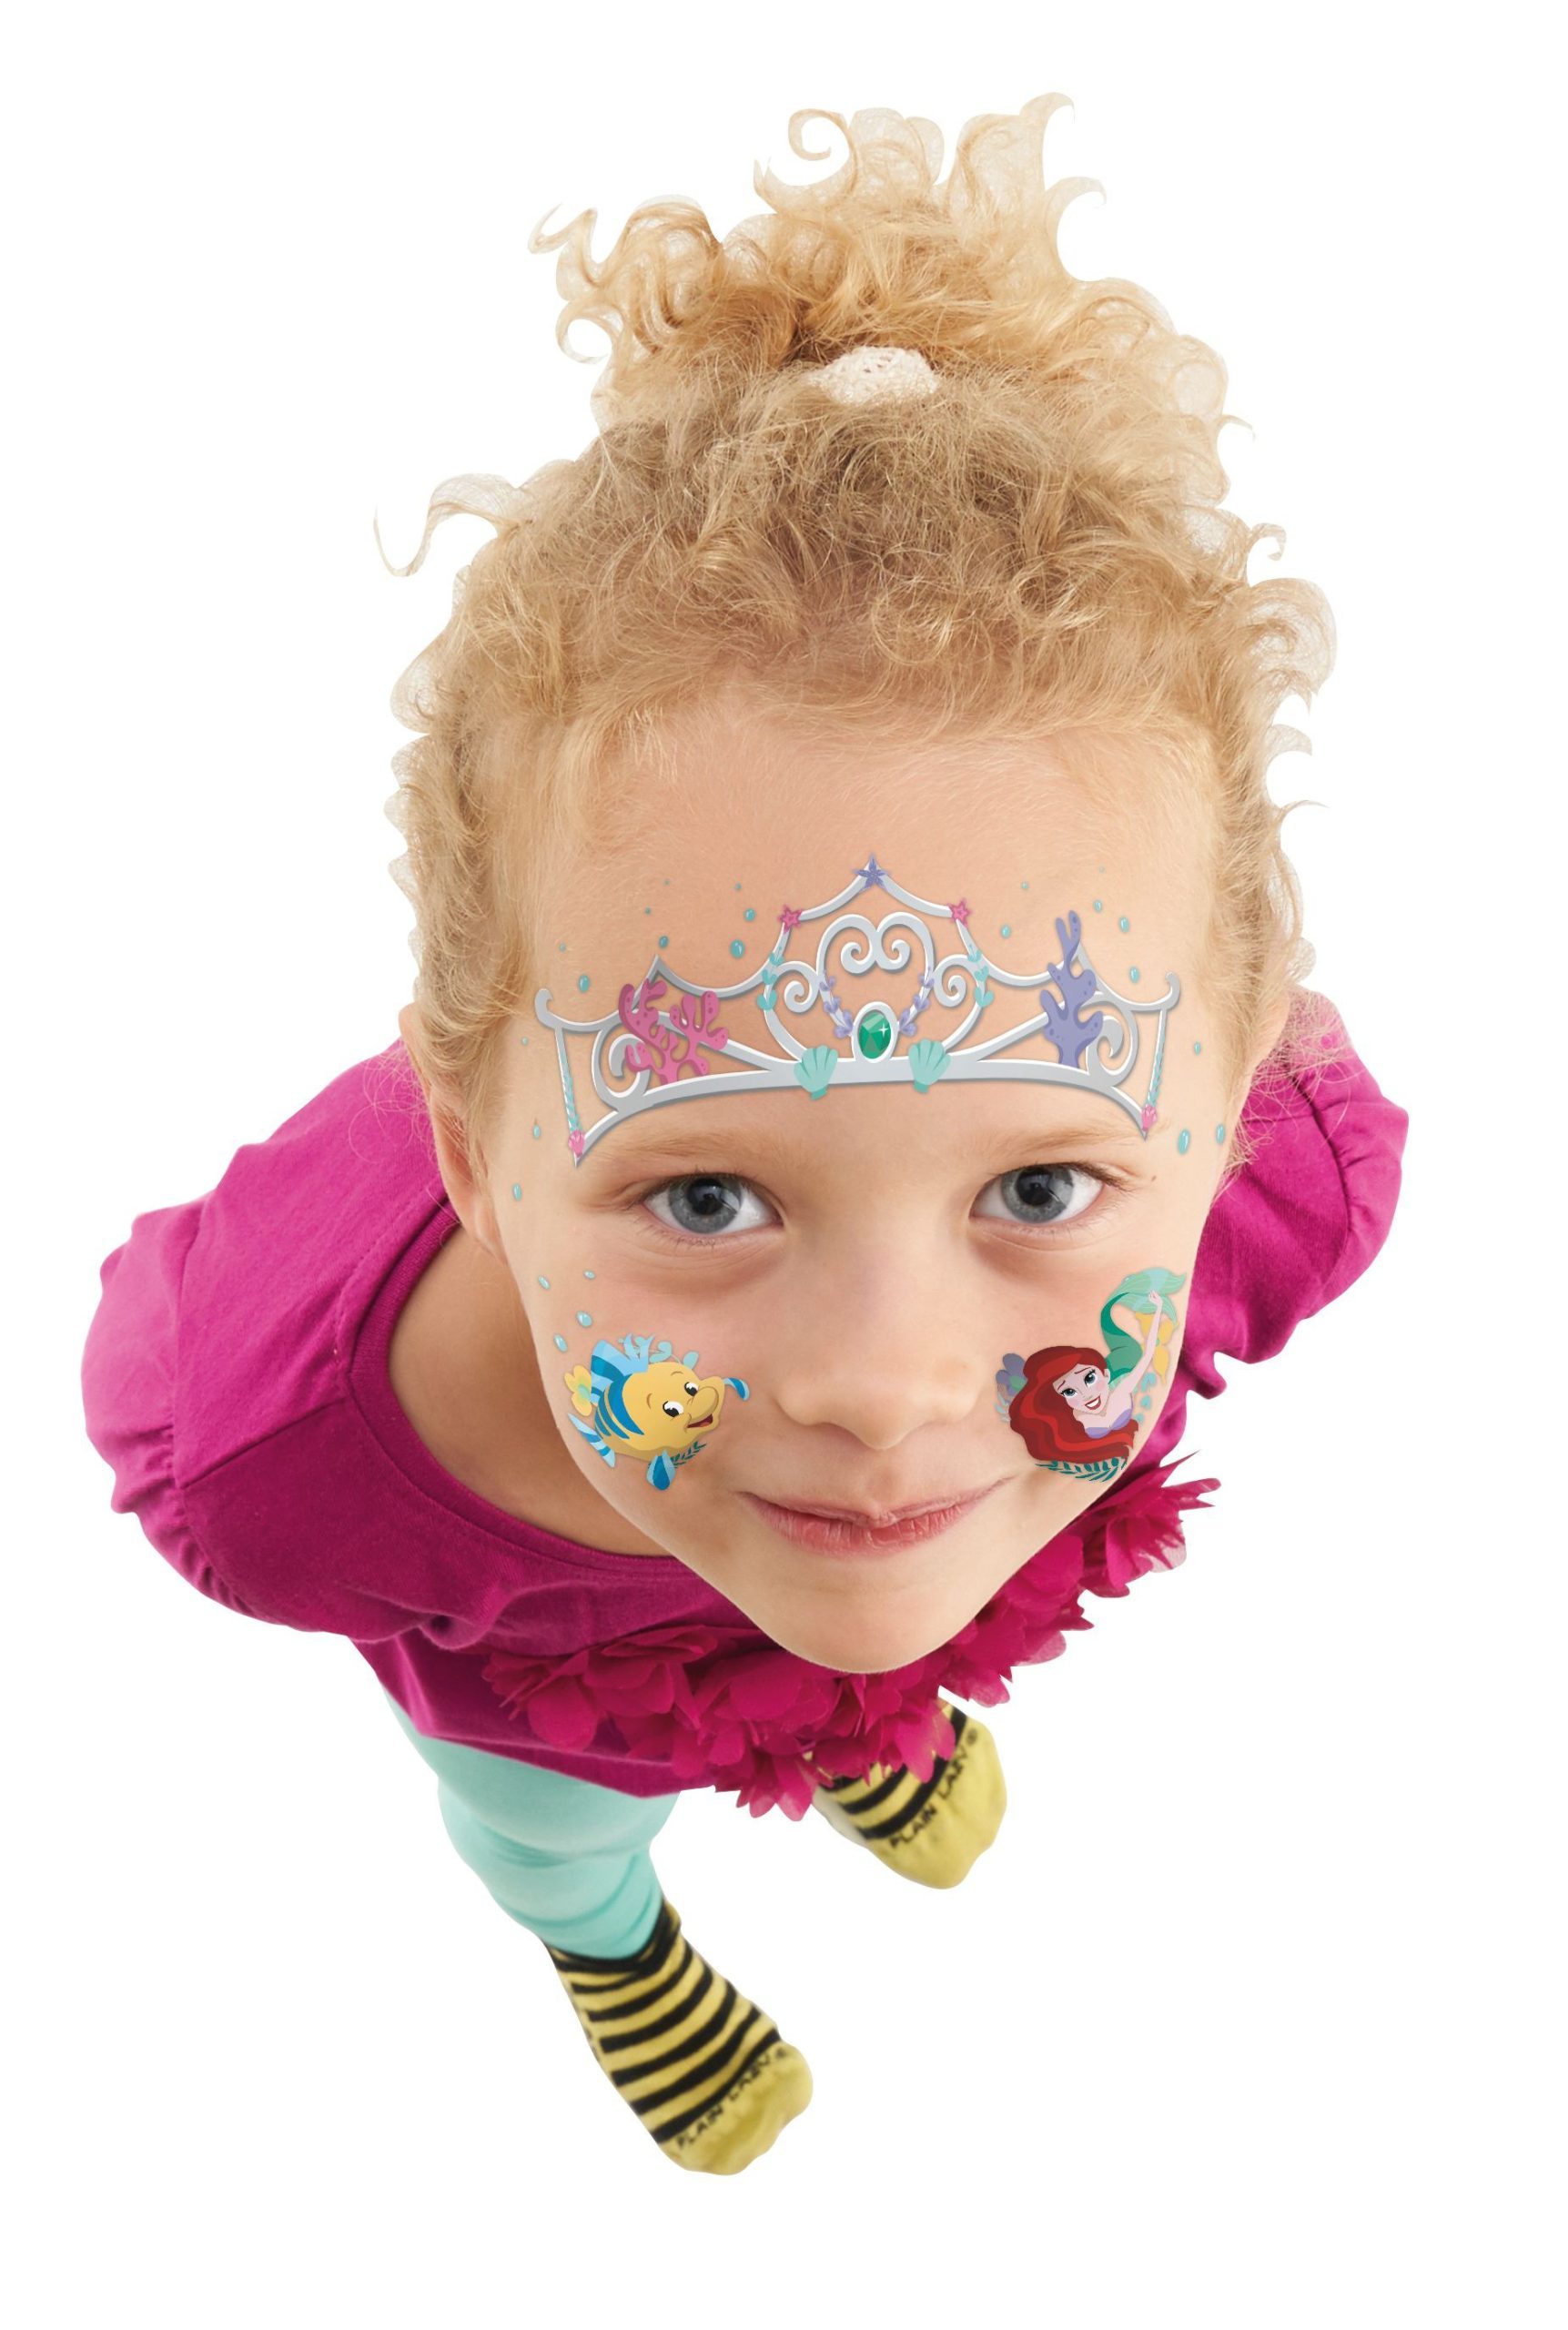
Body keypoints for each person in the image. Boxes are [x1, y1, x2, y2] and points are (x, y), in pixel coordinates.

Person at [78, 95, 1408, 2177]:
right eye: (703, 1192)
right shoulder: (288, 1445)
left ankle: (854, 1723)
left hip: (812, 1522)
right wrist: (577, 1877)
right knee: (548, 1819)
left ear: (1225, 1109)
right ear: (465, 1144)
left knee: (875, 1576)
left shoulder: (1284, 1195)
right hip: (551, 1683)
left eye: (1039, 1187)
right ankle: (605, 1936)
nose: (878, 1383)